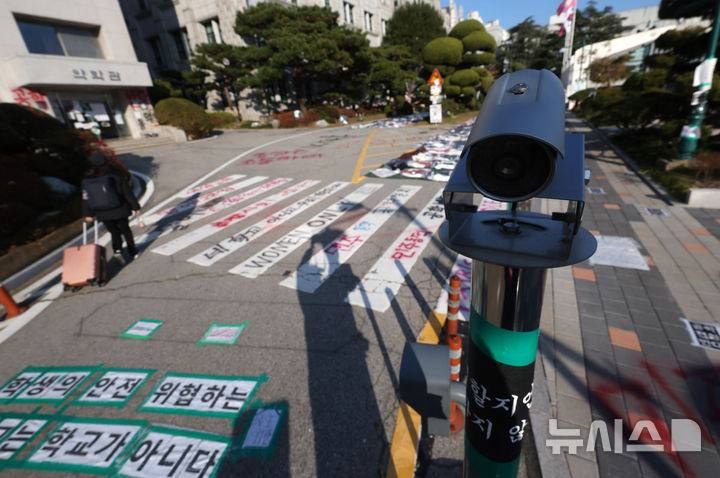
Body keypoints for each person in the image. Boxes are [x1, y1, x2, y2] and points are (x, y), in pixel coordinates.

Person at [82, 153, 141, 265]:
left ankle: (117, 250)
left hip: (102, 212)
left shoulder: (87, 181)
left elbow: (85, 199)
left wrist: (88, 214)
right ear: (106, 162)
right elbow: (127, 193)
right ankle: (133, 251)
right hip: (119, 209)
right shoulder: (115, 176)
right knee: (125, 230)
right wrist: (135, 207)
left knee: (114, 232)